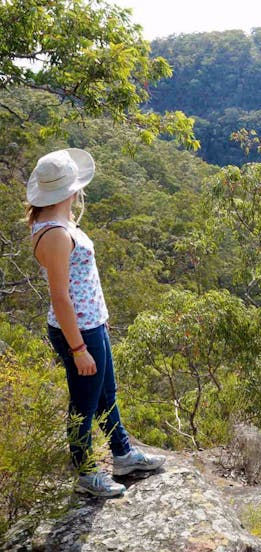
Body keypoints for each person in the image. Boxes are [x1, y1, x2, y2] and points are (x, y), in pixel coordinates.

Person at [26, 148, 165, 498]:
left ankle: (122, 454)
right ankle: (87, 474)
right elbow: (60, 296)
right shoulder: (56, 234)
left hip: (92, 324)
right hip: (79, 331)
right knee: (83, 406)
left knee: (106, 395)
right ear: (70, 190)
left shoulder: (60, 223)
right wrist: (78, 349)